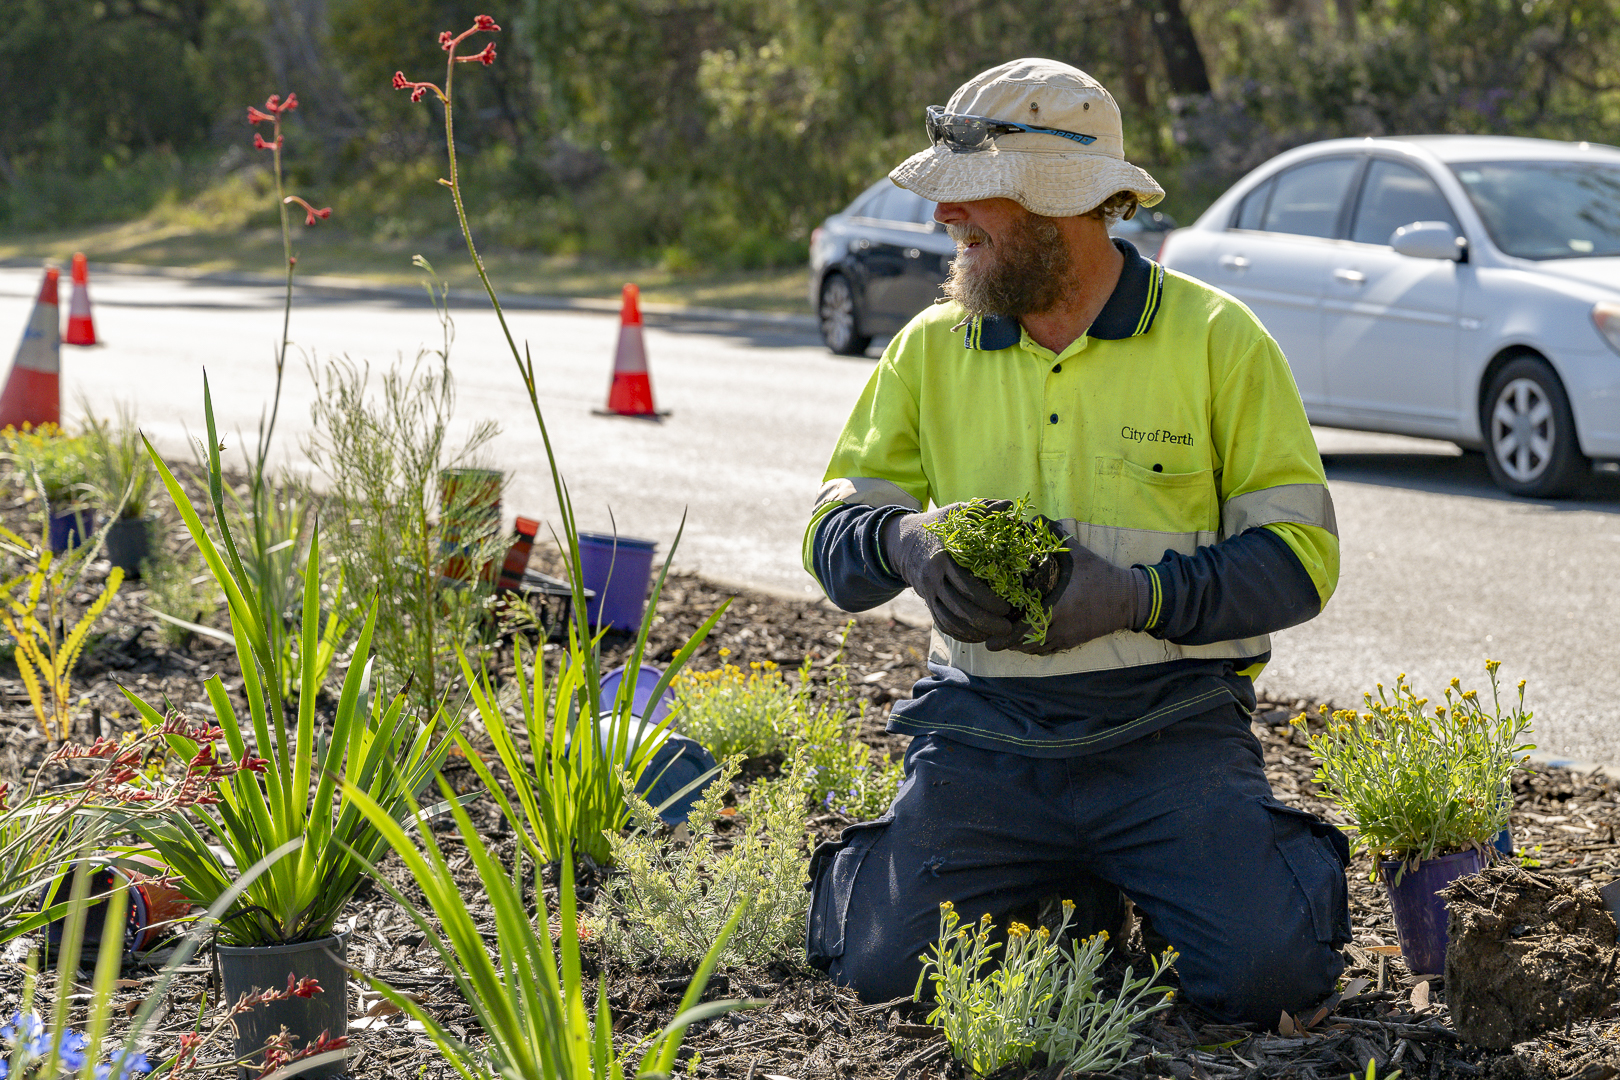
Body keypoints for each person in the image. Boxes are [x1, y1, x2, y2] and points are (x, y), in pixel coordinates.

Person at [801, 58, 1350, 1025]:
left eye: (971, 199)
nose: (943, 220)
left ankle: (1113, 881)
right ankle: (1072, 903)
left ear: (1059, 207)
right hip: (982, 734)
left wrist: (1140, 601)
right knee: (881, 981)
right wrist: (908, 545)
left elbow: (1300, 562)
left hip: (1170, 731)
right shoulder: (932, 347)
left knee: (1265, 983)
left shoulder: (1220, 341)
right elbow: (833, 537)